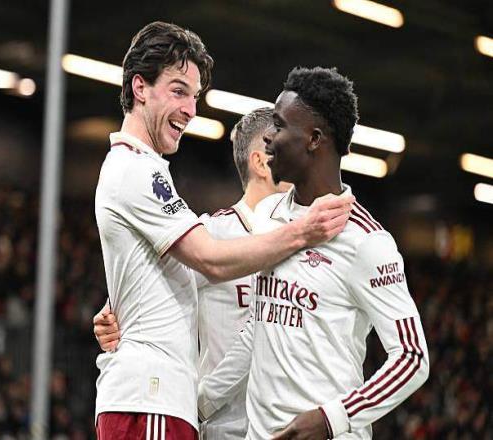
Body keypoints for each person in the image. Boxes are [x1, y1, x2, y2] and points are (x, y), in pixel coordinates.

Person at [94, 20, 353, 440]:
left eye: (194, 97)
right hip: (154, 398)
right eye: (178, 91)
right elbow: (210, 260)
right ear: (140, 87)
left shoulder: (144, 170)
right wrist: (305, 233)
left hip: (169, 401)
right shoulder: (138, 171)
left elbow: (156, 276)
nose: (191, 110)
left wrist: (116, 308)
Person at [198, 66, 430, 439]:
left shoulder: (366, 241)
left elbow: (412, 357)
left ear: (314, 139)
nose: (268, 137)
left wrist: (332, 418)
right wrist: (201, 403)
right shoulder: (268, 217)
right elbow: (259, 326)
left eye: (278, 126)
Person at [94, 107, 290, 439]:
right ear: (260, 162)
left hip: (285, 426)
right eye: (291, 151)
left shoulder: (305, 248)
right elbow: (146, 289)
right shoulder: (211, 235)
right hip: (225, 428)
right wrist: (111, 311)